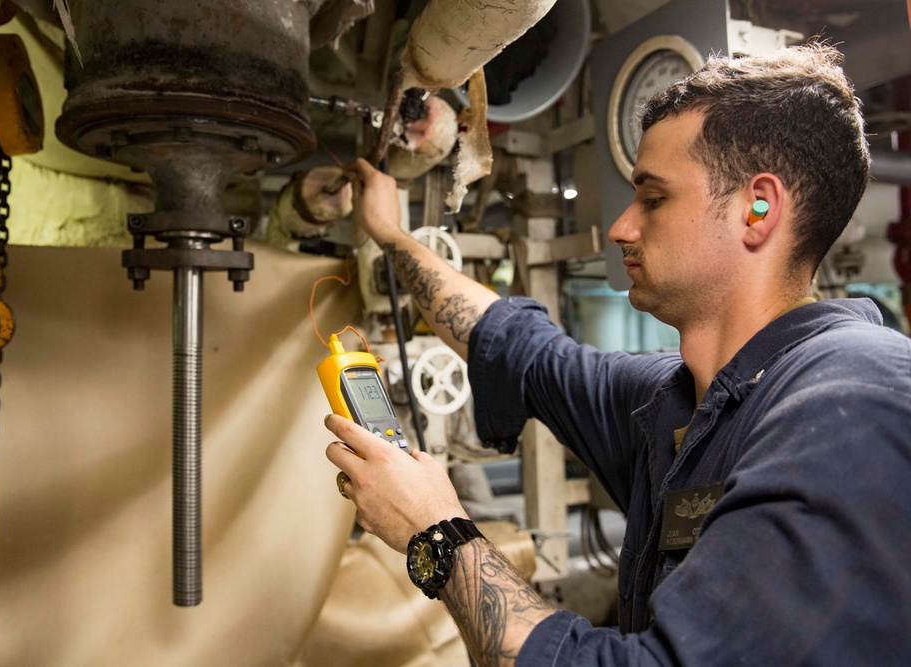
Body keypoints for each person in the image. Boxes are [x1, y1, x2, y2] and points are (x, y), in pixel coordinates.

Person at [324, 42, 911, 666]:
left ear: (757, 208)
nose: (620, 227)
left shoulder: (856, 401)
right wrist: (389, 235)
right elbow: (518, 345)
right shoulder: (681, 402)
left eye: (653, 199)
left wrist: (435, 531)